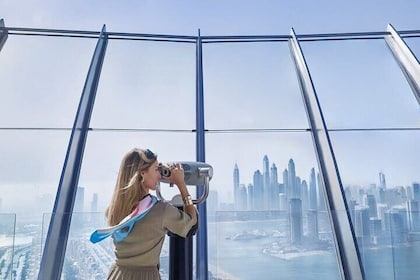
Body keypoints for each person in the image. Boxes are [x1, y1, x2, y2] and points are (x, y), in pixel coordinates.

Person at [105, 148, 198, 280]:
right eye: (156, 169)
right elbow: (191, 223)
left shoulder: (114, 209)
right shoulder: (161, 211)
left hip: (117, 274)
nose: (159, 175)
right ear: (142, 173)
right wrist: (180, 183)